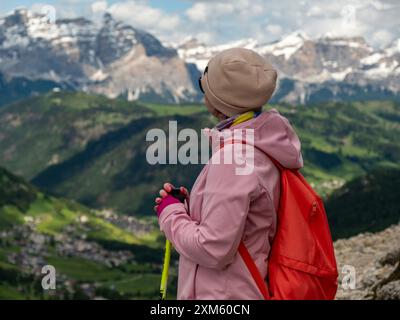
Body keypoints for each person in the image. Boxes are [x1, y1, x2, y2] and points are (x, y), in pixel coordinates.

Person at [154, 48, 303, 300]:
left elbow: (212, 249)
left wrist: (171, 214)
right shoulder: (263, 145)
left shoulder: (234, 159)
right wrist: (192, 207)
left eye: (204, 87)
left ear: (218, 102)